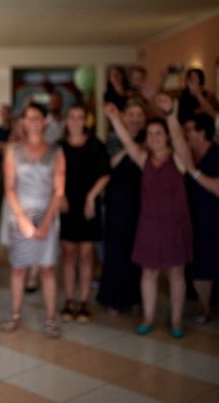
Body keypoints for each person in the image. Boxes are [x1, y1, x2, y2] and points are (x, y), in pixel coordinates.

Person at [105, 93, 193, 338]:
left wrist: (170, 115)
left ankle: (176, 321)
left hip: (175, 224)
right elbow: (127, 140)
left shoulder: (178, 159)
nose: (154, 138)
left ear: (166, 137)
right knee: (149, 272)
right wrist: (113, 117)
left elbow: (179, 141)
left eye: (159, 133)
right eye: (151, 134)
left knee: (176, 273)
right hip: (150, 224)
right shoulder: (144, 159)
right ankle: (148, 317)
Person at [0, 102, 65, 338]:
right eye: (29, 117)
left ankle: (50, 319)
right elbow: (9, 187)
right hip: (20, 216)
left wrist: (46, 222)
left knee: (47, 269)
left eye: (38, 117)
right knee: (18, 269)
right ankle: (15, 315)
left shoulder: (56, 152)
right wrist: (23, 220)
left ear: (45, 120)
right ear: (24, 122)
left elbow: (58, 191)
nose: (34, 121)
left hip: (47, 214)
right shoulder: (13, 151)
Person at [59, 104, 110, 323]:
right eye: (72, 117)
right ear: (66, 120)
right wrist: (59, 195)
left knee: (87, 255)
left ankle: (83, 301)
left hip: (88, 206)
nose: (76, 121)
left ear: (85, 121)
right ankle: (69, 300)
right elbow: (53, 174)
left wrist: (92, 196)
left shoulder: (95, 145)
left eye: (80, 117)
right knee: (69, 255)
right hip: (67, 206)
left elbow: (105, 174)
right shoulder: (59, 146)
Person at [183, 114, 219, 323]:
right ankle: (205, 310)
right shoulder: (189, 156)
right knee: (200, 270)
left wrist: (193, 172)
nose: (185, 134)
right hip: (197, 224)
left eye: (189, 129)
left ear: (202, 132)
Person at [97, 99, 146, 314]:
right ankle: (113, 299)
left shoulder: (151, 137)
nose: (135, 119)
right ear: (124, 117)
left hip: (143, 202)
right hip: (117, 202)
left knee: (138, 251)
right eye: (131, 114)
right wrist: (130, 147)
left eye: (139, 115)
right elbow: (108, 166)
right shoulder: (112, 140)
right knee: (116, 250)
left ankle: (135, 297)